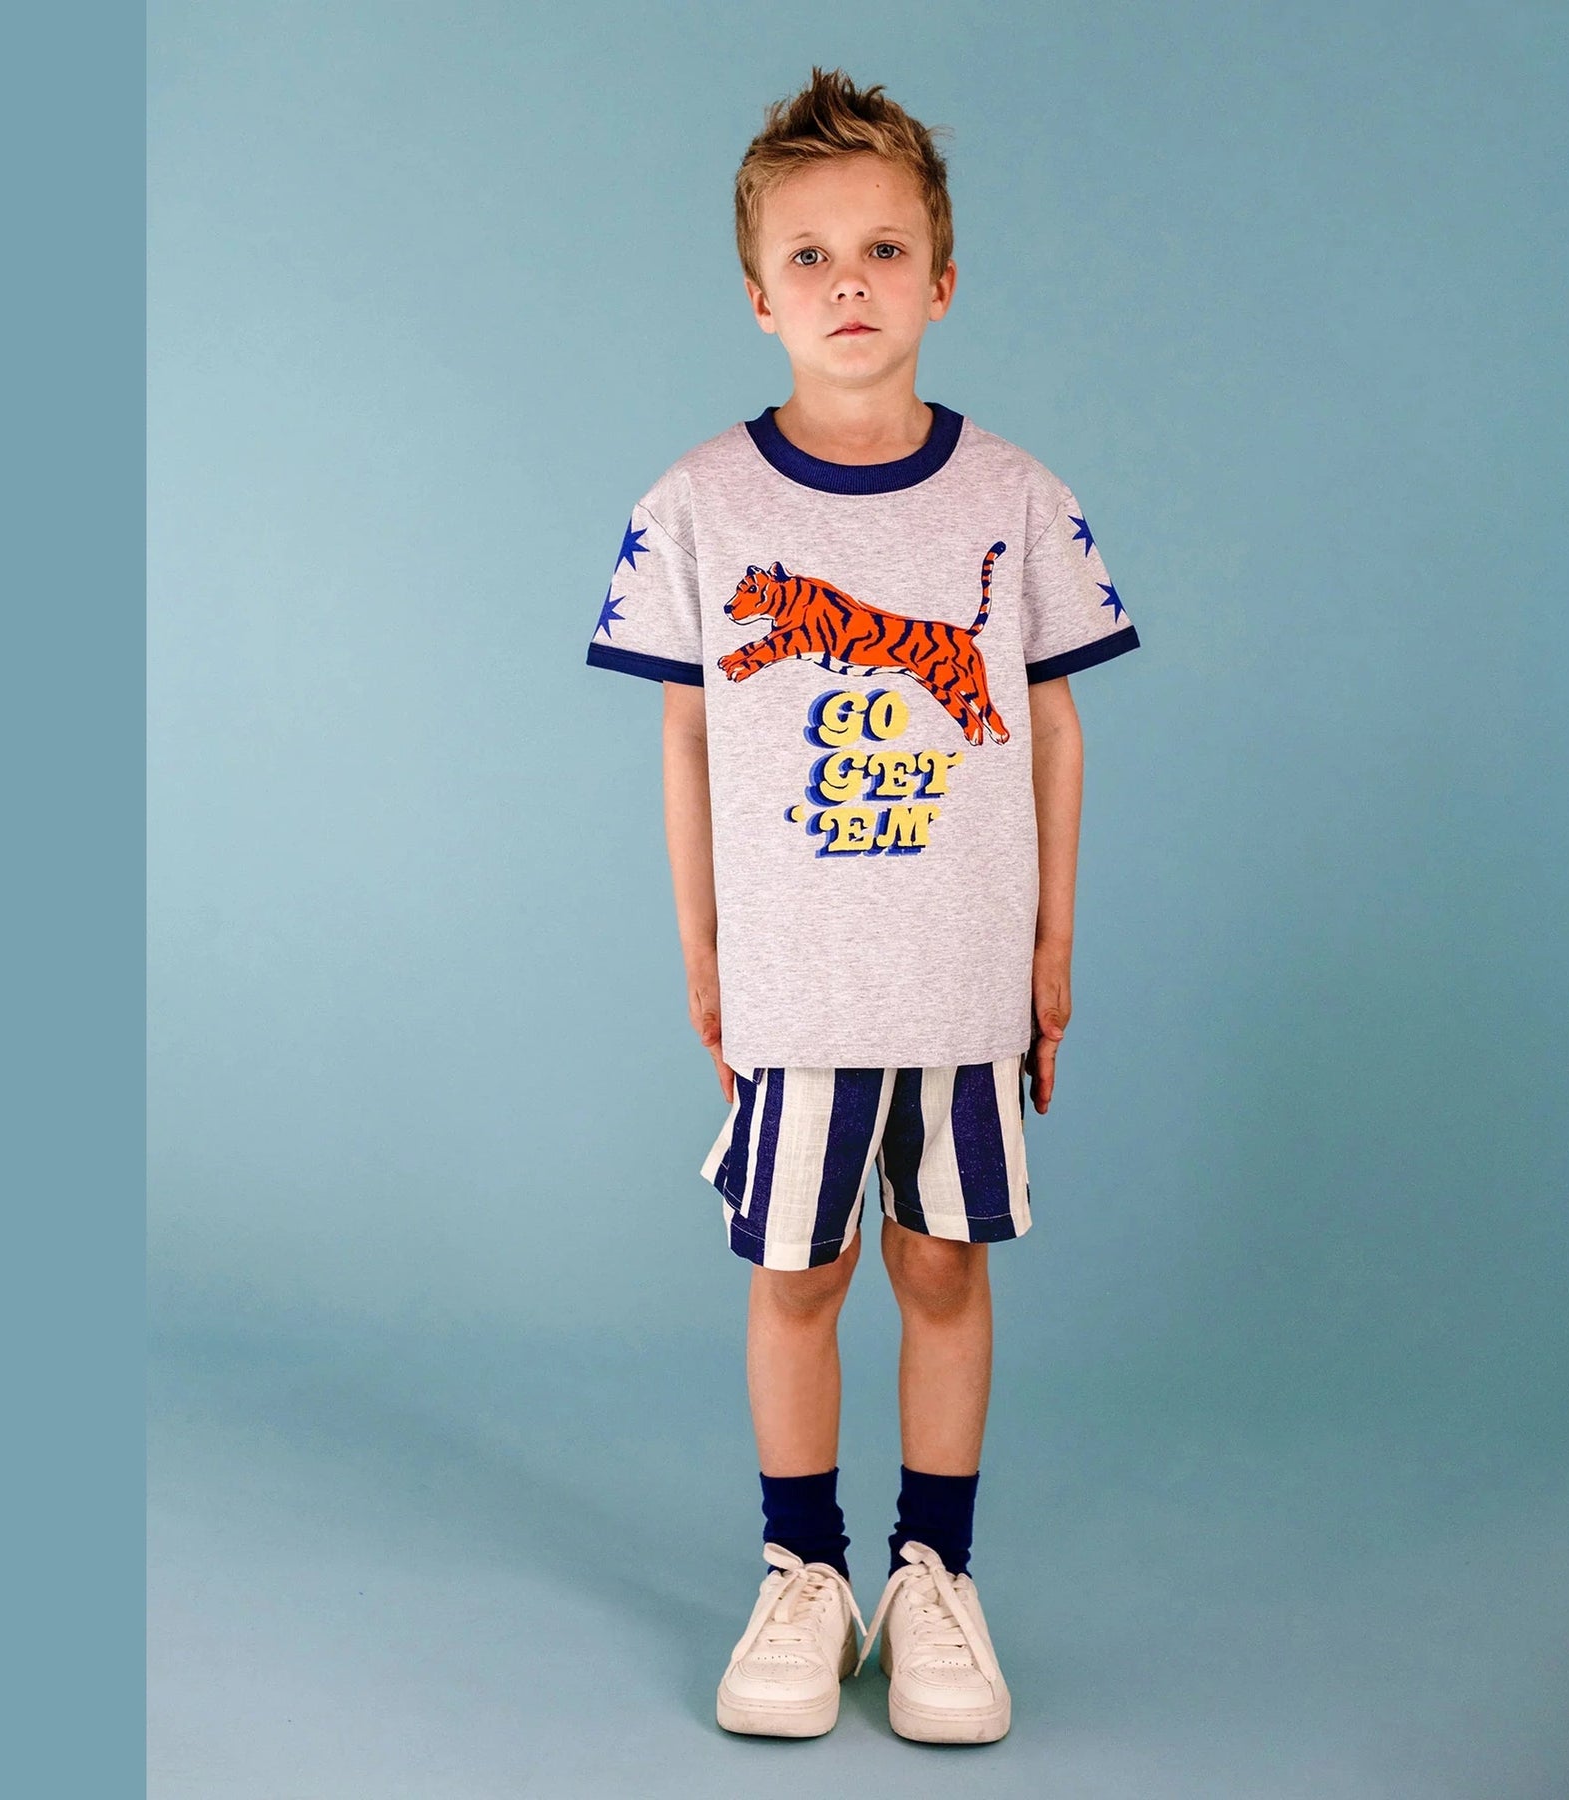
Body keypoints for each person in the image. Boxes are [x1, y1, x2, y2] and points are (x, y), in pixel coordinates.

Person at [584, 66, 1139, 1744]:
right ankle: (804, 1568)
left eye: (884, 250)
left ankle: (934, 1573)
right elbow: (687, 735)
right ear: (758, 296)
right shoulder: (698, 507)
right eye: (810, 256)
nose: (849, 284)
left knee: (945, 1269)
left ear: (941, 280)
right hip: (802, 986)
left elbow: (1054, 725)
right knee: (801, 1276)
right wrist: (702, 944)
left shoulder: (1015, 501)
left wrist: (1051, 943)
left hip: (961, 982)